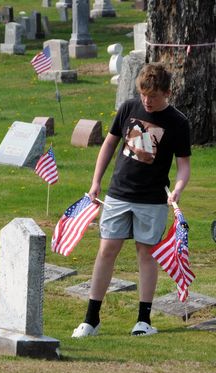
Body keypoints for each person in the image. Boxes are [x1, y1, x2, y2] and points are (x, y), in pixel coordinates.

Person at [72, 63, 191, 338]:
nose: (147, 101)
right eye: (143, 95)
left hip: (151, 200)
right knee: (106, 250)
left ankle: (143, 320)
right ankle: (91, 319)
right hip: (118, 193)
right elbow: (109, 144)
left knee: (146, 254)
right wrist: (96, 181)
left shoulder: (178, 122)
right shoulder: (128, 108)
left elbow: (184, 165)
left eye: (154, 96)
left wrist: (179, 189)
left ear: (167, 93)